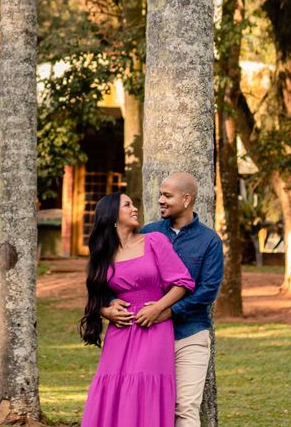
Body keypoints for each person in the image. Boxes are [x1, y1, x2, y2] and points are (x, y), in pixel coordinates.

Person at [104, 173, 224, 427]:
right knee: (148, 405)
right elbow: (120, 275)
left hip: (189, 335)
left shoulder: (209, 241)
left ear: (187, 199)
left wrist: (169, 310)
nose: (160, 200)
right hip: (149, 336)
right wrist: (111, 303)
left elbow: (207, 290)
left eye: (167, 196)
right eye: (160, 194)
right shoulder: (148, 233)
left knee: (184, 407)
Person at [80, 192, 195, 427]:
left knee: (144, 387)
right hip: (120, 332)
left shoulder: (154, 241)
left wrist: (159, 308)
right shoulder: (102, 255)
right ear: (112, 216)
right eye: (127, 205)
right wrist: (107, 310)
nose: (135, 209)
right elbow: (97, 297)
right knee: (114, 387)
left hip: (154, 326)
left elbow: (183, 283)